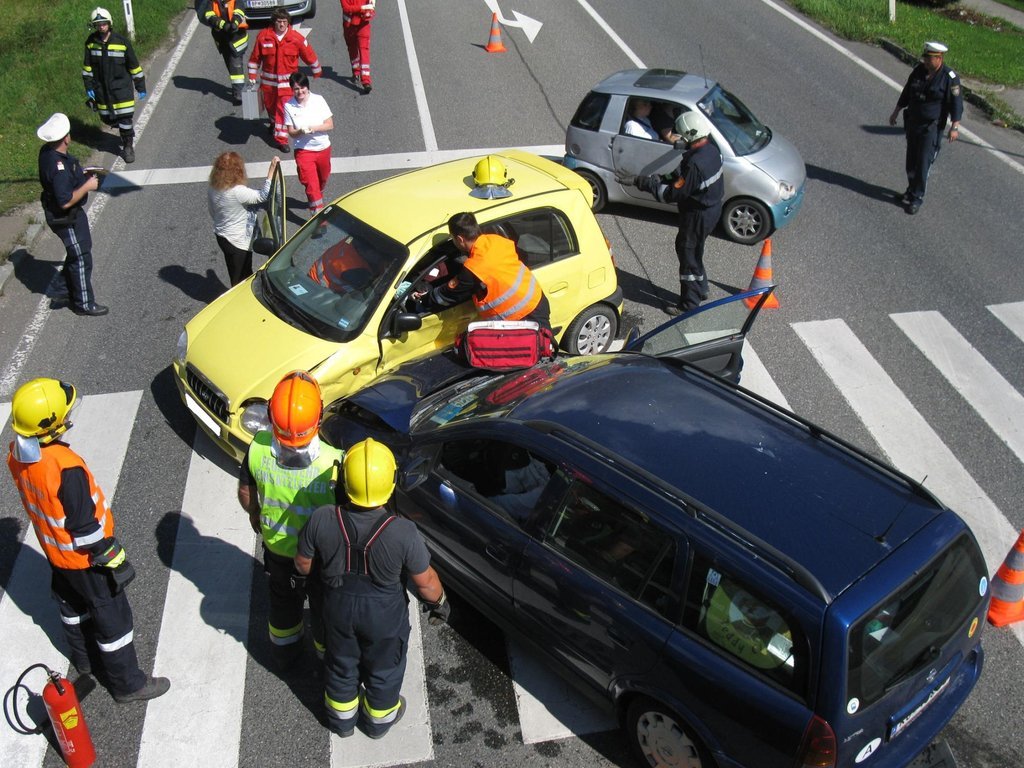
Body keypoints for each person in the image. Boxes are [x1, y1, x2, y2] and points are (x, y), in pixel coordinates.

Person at [6, 378, 170, 703]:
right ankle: (127, 684)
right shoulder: (65, 468)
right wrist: (111, 555)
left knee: (72, 608)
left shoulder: (18, 455)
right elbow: (85, 528)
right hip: (85, 561)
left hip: (56, 555)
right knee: (114, 621)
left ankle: (84, 661)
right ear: (52, 425)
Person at [295, 438, 449, 739]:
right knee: (385, 670)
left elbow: (302, 565)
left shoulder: (322, 518)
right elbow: (426, 583)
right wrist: (440, 603)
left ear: (343, 480)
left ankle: (341, 722)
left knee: (341, 664)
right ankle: (378, 722)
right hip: (384, 616)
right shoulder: (403, 532)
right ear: (391, 483)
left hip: (337, 609)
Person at [238, 370, 342, 667]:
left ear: (272, 415)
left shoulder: (257, 449)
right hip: (320, 557)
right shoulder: (333, 460)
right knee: (323, 607)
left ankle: (285, 655)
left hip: (278, 549)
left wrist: (255, 514)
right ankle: (325, 657)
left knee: (283, 601)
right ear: (318, 418)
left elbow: (246, 493)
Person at [619, 111, 724, 315]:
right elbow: (679, 176)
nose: (677, 139)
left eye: (680, 136)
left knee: (688, 253)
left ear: (690, 136)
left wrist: (642, 182)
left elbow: (672, 194)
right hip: (710, 211)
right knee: (695, 250)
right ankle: (701, 289)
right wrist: (659, 177)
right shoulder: (710, 150)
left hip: (697, 215)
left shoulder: (695, 164)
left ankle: (689, 304)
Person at [414, 208, 552, 328]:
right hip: (537, 299)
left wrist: (424, 299)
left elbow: (448, 294)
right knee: (545, 342)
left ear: (460, 239)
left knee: (536, 347)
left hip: (520, 316)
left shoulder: (475, 268)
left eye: (453, 239)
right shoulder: (495, 240)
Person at [37, 113, 108, 317]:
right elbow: (65, 200)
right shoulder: (58, 168)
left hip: (70, 215)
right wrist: (87, 186)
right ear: (66, 138)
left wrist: (80, 175)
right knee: (81, 257)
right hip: (66, 217)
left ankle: (62, 288)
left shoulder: (48, 153)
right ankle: (84, 303)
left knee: (80, 249)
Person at [888, 41, 963, 215]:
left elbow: (956, 104)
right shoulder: (919, 71)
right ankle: (910, 190)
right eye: (925, 58)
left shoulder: (949, 78)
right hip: (913, 123)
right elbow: (907, 92)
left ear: (939, 58)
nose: (926, 61)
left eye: (930, 59)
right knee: (911, 162)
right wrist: (896, 111)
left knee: (923, 163)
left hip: (931, 128)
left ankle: (917, 197)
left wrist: (955, 127)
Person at [248, 8, 322, 153]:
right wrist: (252, 76)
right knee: (270, 107)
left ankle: (281, 140)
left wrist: (316, 69)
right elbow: (255, 58)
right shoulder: (263, 37)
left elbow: (309, 54)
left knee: (282, 110)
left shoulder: (296, 38)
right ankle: (273, 122)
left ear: (288, 22)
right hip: (268, 84)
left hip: (287, 85)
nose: (282, 24)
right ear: (274, 22)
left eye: (284, 22)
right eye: (279, 21)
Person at [83, 7, 146, 164]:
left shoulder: (122, 43)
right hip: (102, 91)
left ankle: (128, 147)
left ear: (109, 23)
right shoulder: (91, 43)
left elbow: (134, 66)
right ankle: (125, 132)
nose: (101, 26)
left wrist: (140, 86)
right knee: (108, 119)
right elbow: (87, 68)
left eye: (104, 23)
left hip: (121, 90)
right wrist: (89, 87)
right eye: (98, 24)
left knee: (125, 119)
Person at [208, 152, 280, 286]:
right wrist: (272, 170)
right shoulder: (237, 191)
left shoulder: (213, 187)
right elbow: (263, 195)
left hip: (222, 236)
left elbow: (212, 212)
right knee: (240, 277)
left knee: (236, 270)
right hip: (237, 241)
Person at [284, 72, 334, 216]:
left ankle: (317, 195)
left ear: (307, 87)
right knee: (312, 186)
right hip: (303, 150)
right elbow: (291, 132)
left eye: (302, 88)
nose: (300, 91)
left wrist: (314, 128)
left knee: (322, 179)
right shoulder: (289, 106)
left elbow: (330, 124)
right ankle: (318, 217)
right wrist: (300, 131)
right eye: (296, 89)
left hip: (322, 147)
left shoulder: (318, 100)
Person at [196, 0, 249, 105]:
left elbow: (239, 11)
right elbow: (209, 15)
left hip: (237, 38)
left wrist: (234, 23)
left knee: (235, 65)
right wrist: (223, 24)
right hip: (222, 40)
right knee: (230, 65)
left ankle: (239, 94)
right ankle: (238, 89)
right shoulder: (212, 2)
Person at [342, 0, 376, 94]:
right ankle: (356, 71)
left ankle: (366, 81)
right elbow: (346, 8)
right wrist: (363, 8)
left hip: (363, 23)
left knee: (364, 49)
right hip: (350, 26)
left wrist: (372, 2)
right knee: (352, 48)